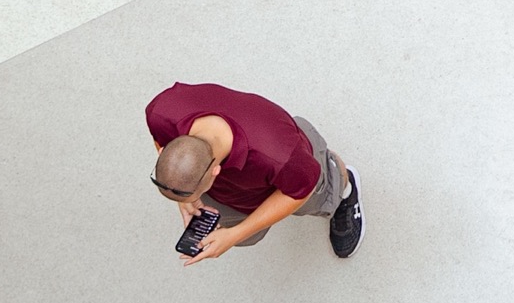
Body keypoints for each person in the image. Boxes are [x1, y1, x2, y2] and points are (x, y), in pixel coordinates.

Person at [146, 81, 362, 264]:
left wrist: (233, 236)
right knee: (240, 230)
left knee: (321, 191)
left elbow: (300, 191)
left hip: (296, 167)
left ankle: (342, 181)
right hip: (242, 185)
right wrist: (182, 198)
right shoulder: (162, 113)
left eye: (193, 195)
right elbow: (160, 139)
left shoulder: (279, 156)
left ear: (215, 171)